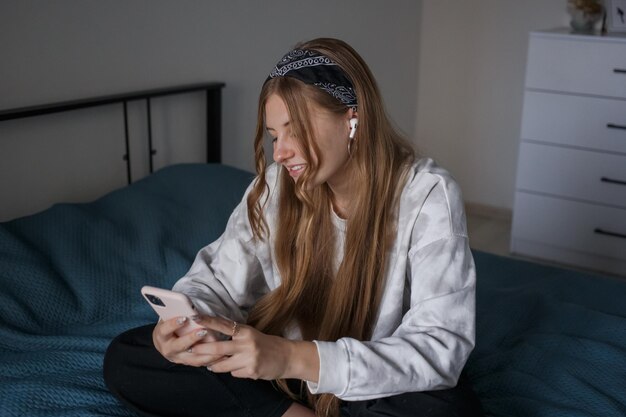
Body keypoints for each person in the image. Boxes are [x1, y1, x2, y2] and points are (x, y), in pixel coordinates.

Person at [103, 38, 482, 417]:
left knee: (448, 408)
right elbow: (215, 281)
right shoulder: (275, 187)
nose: (280, 152)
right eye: (273, 136)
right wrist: (186, 327)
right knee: (130, 356)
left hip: (358, 375)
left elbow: (439, 348)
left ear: (353, 119)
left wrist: (289, 357)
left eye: (294, 130)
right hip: (280, 373)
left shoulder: (427, 193)